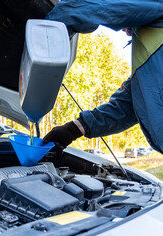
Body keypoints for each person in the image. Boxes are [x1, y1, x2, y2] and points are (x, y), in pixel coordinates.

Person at [43, 0, 163, 154]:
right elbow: (127, 107)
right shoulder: (151, 57)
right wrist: (73, 129)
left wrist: (45, 30)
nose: (122, 30)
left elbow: (96, 6)